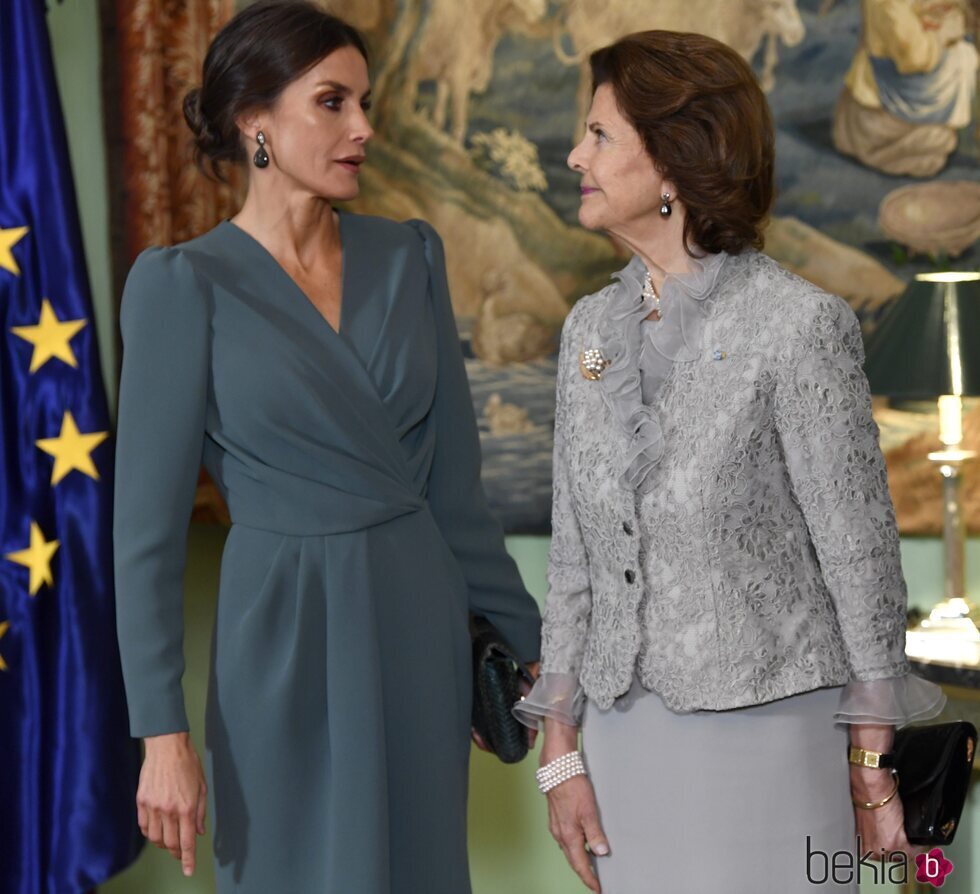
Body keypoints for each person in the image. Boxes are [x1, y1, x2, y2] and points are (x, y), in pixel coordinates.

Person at [112, 3, 541, 892]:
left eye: (366, 103)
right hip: (283, 637)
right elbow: (145, 538)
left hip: (417, 626)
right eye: (334, 103)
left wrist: (534, 655)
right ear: (254, 121)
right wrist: (161, 736)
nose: (365, 128)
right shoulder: (181, 285)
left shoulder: (410, 257)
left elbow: (456, 494)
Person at [514, 30, 946, 894]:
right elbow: (576, 561)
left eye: (599, 136)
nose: (574, 156)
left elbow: (860, 560)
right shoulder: (589, 337)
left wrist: (872, 761)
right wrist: (559, 751)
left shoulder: (797, 326)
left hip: (769, 745)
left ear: (674, 159)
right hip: (625, 749)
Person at [833, 0, 977, 177]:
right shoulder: (887, 4)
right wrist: (944, 34)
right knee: (962, 57)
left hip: (894, 78)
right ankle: (905, 141)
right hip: (892, 95)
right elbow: (914, 58)